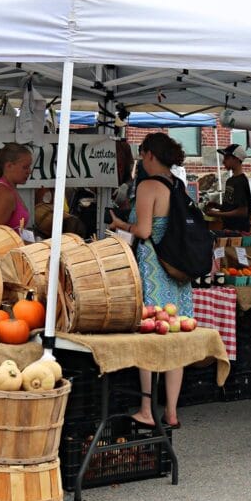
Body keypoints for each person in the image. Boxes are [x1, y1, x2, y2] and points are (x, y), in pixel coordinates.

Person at [108, 132, 193, 430]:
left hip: (155, 269)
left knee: (150, 336)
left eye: (142, 152)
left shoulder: (148, 186)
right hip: (178, 271)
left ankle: (147, 408)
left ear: (149, 155)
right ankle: (171, 412)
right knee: (175, 339)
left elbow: (143, 230)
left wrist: (120, 224)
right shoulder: (178, 185)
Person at [0, 143, 32, 232]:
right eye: (25, 167)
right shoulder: (4, 193)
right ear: (9, 166)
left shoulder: (9, 189)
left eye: (29, 167)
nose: (29, 171)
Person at [205, 143, 251, 231]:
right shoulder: (230, 180)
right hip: (228, 227)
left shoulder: (241, 182)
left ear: (237, 159)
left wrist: (217, 214)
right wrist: (218, 206)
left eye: (227, 158)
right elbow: (231, 206)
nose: (223, 161)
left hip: (239, 230)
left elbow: (243, 211)